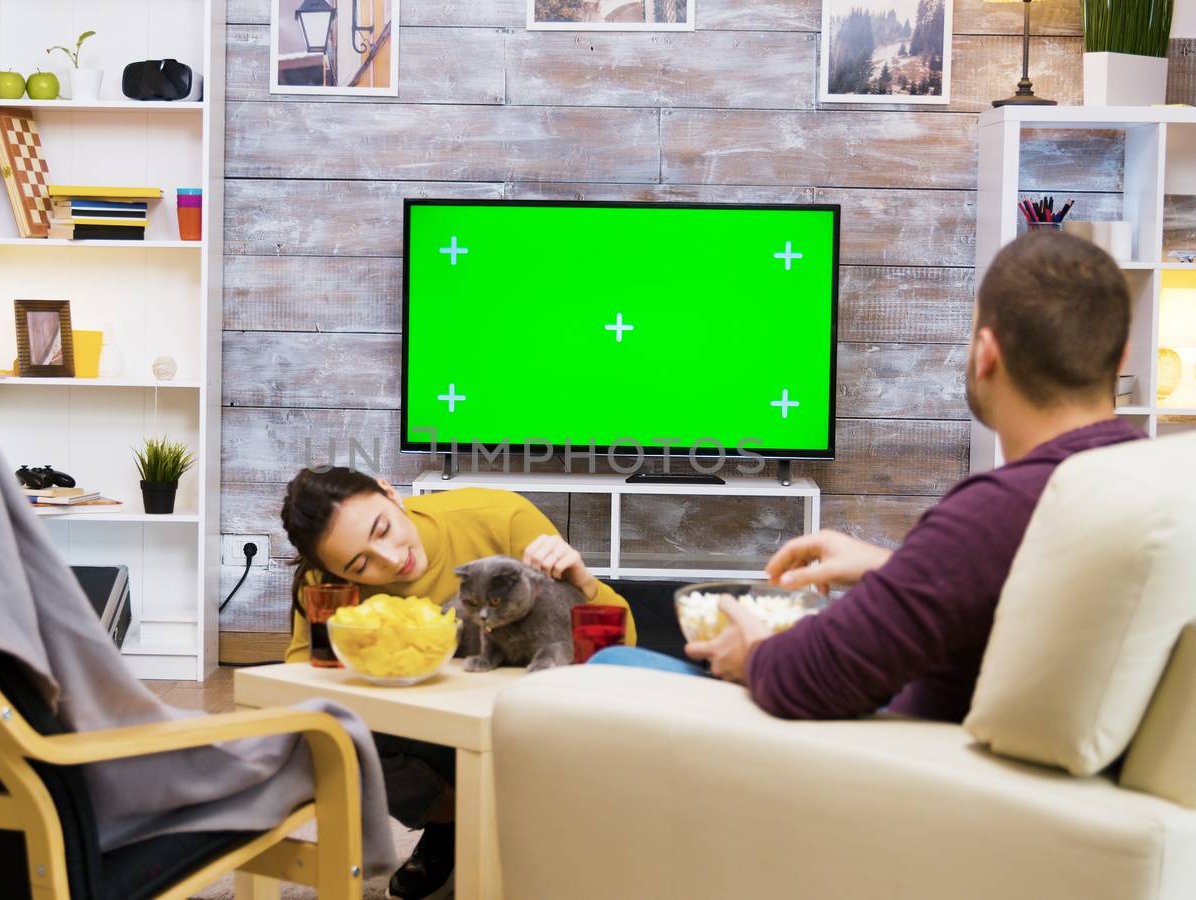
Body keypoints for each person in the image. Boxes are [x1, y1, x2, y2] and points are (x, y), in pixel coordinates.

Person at [592, 230, 1145, 724]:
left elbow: (808, 676)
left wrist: (752, 651)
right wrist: (899, 569)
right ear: (1117, 356)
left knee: (612, 663)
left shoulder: (995, 512)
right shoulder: (1143, 476)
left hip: (897, 762)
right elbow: (1033, 599)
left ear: (985, 354)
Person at [280, 468, 635, 899]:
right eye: (361, 564)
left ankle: (511, 828)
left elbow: (623, 646)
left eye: (384, 529)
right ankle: (451, 819)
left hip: (524, 719)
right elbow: (300, 685)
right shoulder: (329, 584)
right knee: (330, 734)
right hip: (418, 733)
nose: (390, 559)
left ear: (391, 493)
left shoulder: (498, 518)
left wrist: (581, 580)